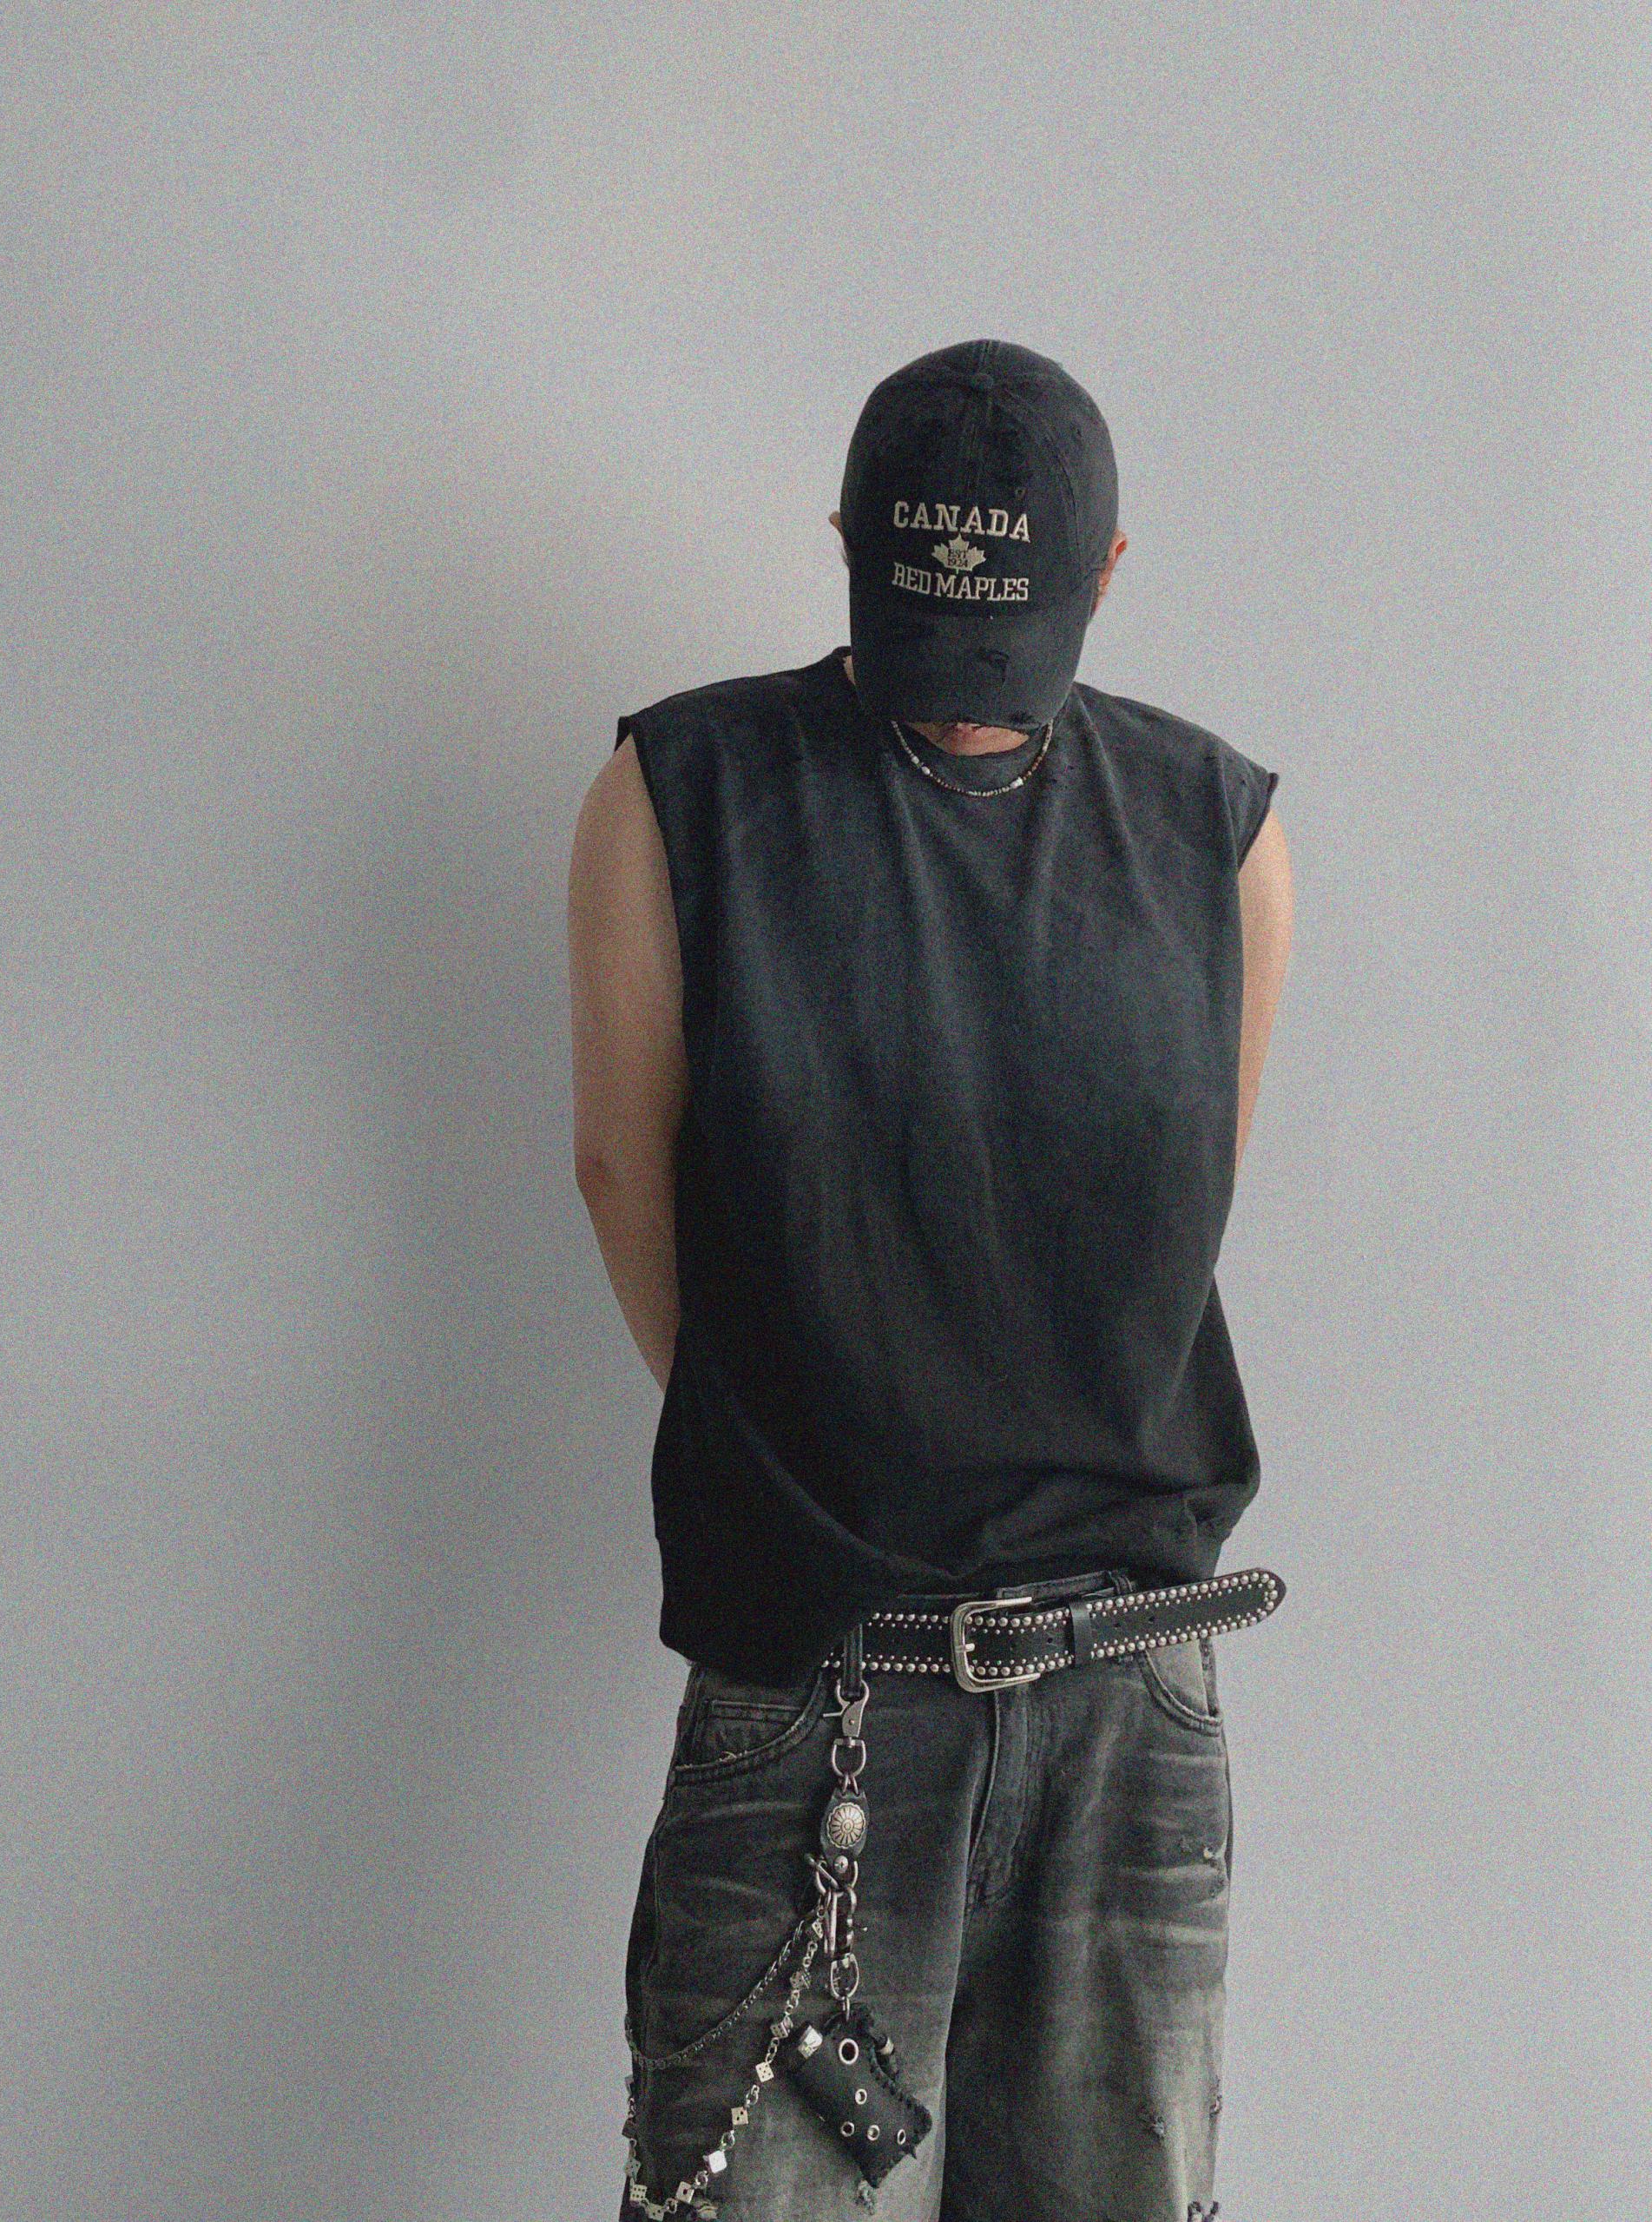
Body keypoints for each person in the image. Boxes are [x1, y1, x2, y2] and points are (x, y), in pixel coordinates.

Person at [569, 338, 1294, 2222]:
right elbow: (1175, 1196)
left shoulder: (685, 796)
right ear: (841, 544)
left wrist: (810, 1428)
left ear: (1109, 571)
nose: (968, 710)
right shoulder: (1207, 833)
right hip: (880, 1675)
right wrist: (779, 1423)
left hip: (1028, 1674)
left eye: (1007, 644)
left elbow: (624, 1165)